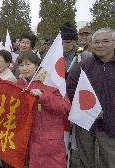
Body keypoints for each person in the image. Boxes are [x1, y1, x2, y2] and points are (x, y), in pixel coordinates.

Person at [67, 28, 115, 168]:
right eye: (96, 42)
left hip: (111, 123)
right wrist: (87, 107)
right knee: (85, 159)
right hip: (86, 121)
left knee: (110, 160)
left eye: (105, 41)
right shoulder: (84, 65)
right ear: (92, 45)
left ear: (113, 43)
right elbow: (71, 88)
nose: (100, 45)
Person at [16, 51, 70, 168]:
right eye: (21, 65)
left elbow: (64, 106)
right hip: (29, 138)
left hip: (49, 138)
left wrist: (43, 96)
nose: (24, 68)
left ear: (37, 64)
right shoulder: (20, 84)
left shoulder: (51, 81)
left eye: (28, 64)